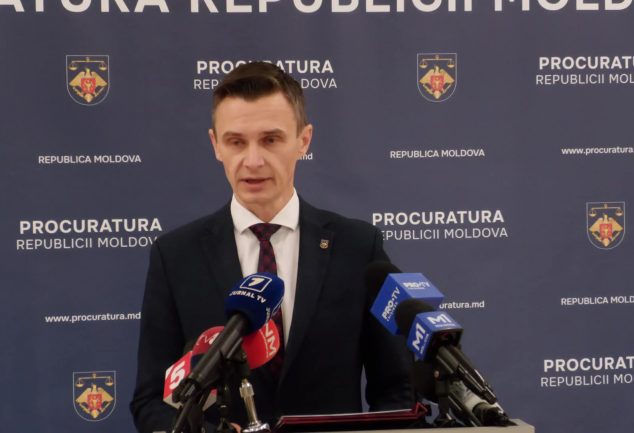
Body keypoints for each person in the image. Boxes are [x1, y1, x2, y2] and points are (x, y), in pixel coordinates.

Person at [130, 62, 414, 433]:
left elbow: (397, 389)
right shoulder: (175, 256)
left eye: (271, 140)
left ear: (303, 141)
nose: (253, 161)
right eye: (236, 142)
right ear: (216, 145)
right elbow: (151, 401)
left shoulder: (358, 247)